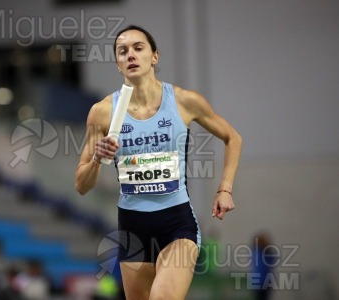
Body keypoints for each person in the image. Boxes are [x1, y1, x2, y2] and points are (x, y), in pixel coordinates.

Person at [75, 25, 242, 300]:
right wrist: (97, 159)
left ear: (154, 56)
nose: (130, 55)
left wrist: (225, 188)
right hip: (132, 228)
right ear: (118, 64)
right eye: (123, 51)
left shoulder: (184, 101)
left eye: (138, 48)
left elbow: (233, 138)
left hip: (176, 223)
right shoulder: (103, 112)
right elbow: (81, 185)